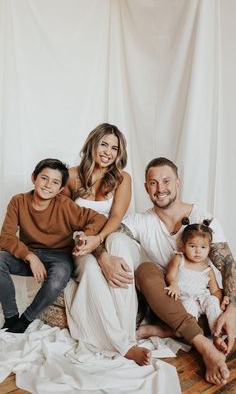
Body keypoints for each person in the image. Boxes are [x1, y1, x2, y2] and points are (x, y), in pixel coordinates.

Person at [114, 157, 235, 385]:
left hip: (198, 300)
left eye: (166, 181)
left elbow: (228, 264)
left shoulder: (204, 220)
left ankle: (185, 332)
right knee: (144, 269)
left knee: (214, 310)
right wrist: (103, 255)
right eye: (153, 183)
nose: (160, 189)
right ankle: (204, 347)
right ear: (146, 187)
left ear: (178, 183)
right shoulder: (141, 220)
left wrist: (233, 310)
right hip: (167, 296)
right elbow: (109, 231)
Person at [63, 123, 151, 366]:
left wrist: (99, 242)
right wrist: (94, 251)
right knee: (91, 270)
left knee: (120, 249)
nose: (108, 152)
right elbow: (63, 219)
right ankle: (122, 343)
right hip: (80, 240)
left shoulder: (122, 179)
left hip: (111, 236)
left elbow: (115, 218)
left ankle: (126, 335)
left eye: (115, 148)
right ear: (93, 143)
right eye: (104, 144)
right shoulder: (70, 177)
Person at [0, 158, 106, 333]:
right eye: (44, 178)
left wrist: (85, 234)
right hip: (30, 255)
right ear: (34, 178)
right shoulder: (18, 201)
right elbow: (6, 237)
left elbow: (99, 218)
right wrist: (30, 256)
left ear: (61, 189)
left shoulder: (65, 205)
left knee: (60, 275)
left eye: (55, 182)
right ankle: (11, 317)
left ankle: (26, 319)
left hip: (59, 256)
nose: (48, 185)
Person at [164, 220, 230, 353]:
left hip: (202, 298)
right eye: (193, 246)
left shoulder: (207, 268)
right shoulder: (179, 259)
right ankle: (192, 335)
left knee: (212, 301)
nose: (198, 251)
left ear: (209, 249)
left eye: (203, 247)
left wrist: (222, 300)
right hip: (185, 298)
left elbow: (215, 290)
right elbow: (170, 275)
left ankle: (217, 335)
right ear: (183, 245)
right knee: (188, 307)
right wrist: (174, 284)